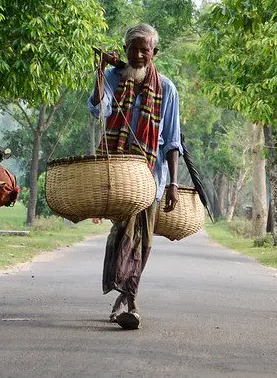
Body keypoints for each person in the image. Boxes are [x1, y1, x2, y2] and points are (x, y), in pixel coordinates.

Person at [89, 23, 182, 330]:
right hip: (117, 173)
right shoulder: (114, 77)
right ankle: (125, 297)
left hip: (151, 175)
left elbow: (171, 140)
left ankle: (129, 300)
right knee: (120, 235)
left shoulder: (166, 88)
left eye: (145, 49)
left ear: (154, 53)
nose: (139, 54)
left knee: (142, 240)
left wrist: (172, 184)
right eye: (134, 48)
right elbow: (97, 110)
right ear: (125, 49)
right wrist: (100, 72)